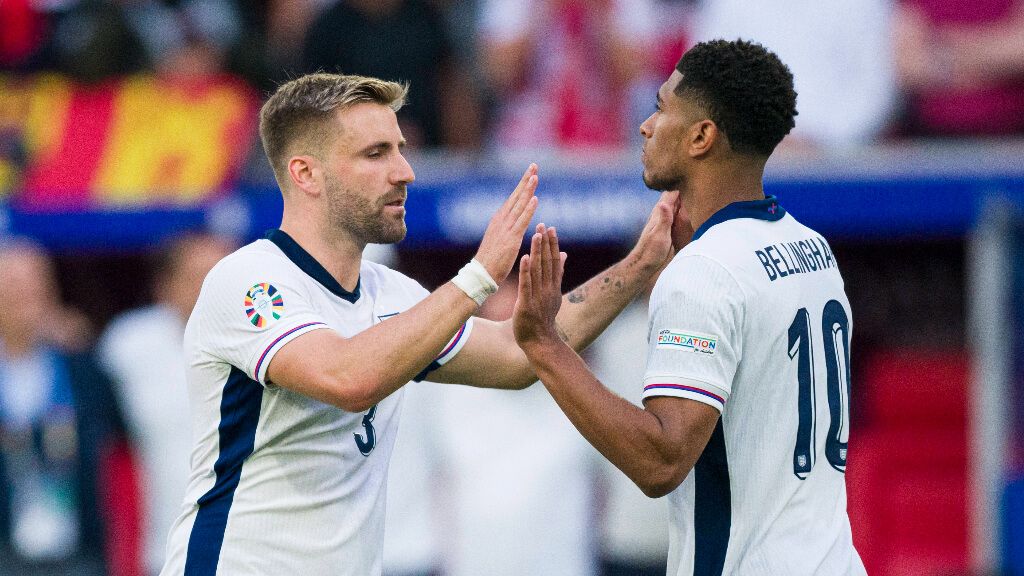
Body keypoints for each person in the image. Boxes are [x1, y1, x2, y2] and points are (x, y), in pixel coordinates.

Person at [158, 72, 677, 576]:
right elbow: (348, 378)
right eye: (376, 153)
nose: (404, 171)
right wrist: (477, 276)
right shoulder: (248, 280)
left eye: (400, 149)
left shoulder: (392, 294)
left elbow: (521, 354)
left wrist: (641, 263)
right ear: (305, 174)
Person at [512, 39, 866, 575]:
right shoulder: (812, 247)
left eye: (661, 108)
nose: (645, 126)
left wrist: (545, 345)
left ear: (702, 136)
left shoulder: (703, 271)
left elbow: (661, 461)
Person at [97, 232, 235, 576]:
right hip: (164, 549)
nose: (209, 288)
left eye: (222, 275)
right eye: (196, 276)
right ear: (164, 286)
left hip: (249, 551)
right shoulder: (127, 343)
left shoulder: (270, 346)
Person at [0, 239, 124, 576]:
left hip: (77, 552)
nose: (25, 297)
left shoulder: (81, 368)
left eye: (34, 286)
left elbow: (119, 437)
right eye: (13, 286)